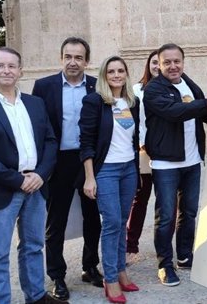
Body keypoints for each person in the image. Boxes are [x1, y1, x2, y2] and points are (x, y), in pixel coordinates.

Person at [0, 47, 64, 304]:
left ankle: (36, 296)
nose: (6, 70)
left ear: (20, 71)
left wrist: (40, 174)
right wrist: (18, 180)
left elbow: (50, 142)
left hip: (37, 187)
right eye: (0, 65)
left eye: (11, 66)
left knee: (32, 247)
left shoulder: (35, 103)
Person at [143, 43, 207, 286]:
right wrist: (206, 102)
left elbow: (205, 115)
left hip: (192, 161)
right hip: (166, 163)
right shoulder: (153, 90)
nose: (172, 66)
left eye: (176, 61)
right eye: (166, 62)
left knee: (188, 212)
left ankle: (185, 255)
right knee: (166, 215)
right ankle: (164, 264)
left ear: (183, 62)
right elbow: (175, 112)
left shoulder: (189, 84)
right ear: (159, 64)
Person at [32, 37, 103, 300]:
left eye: (79, 57)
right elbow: (38, 126)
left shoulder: (97, 86)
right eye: (68, 57)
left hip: (89, 162)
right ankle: (57, 275)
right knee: (56, 221)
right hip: (58, 162)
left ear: (87, 61)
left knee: (92, 218)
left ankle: (90, 267)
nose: (73, 62)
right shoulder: (43, 86)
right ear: (61, 58)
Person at [80, 56, 140, 303]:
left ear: (126, 74)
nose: (116, 75)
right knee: (112, 222)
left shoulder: (131, 101)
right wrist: (89, 178)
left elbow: (133, 138)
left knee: (122, 221)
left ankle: (121, 271)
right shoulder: (94, 101)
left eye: (120, 71)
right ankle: (111, 279)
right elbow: (85, 142)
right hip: (106, 170)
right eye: (111, 71)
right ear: (104, 75)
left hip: (128, 168)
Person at [125, 50, 159, 266]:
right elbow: (133, 122)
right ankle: (130, 246)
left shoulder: (176, 89)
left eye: (161, 62)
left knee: (166, 203)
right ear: (148, 65)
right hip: (143, 152)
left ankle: (162, 249)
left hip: (167, 155)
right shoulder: (137, 90)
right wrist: (139, 144)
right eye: (154, 62)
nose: (157, 66)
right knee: (140, 200)